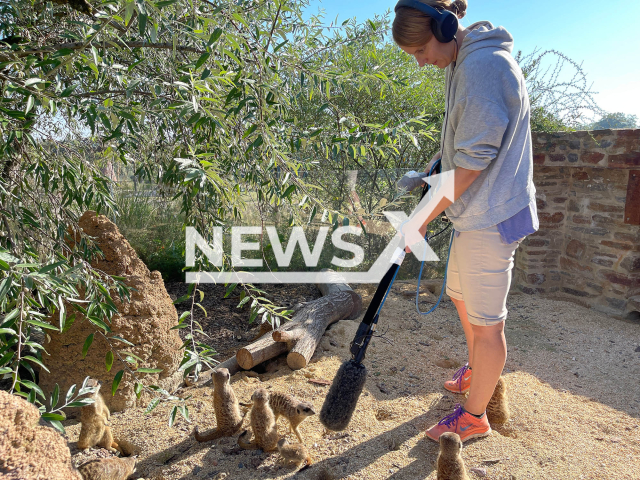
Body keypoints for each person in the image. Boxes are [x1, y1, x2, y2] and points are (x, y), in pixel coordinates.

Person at [393, 0, 539, 442]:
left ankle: (475, 417)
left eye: (420, 51)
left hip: (490, 216)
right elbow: (461, 139)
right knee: (459, 296)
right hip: (471, 212)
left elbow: (475, 162)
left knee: (487, 323)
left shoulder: (482, 68)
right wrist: (434, 168)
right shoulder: (461, 61)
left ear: (444, 26)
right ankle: (477, 370)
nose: (421, 63)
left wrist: (419, 218)